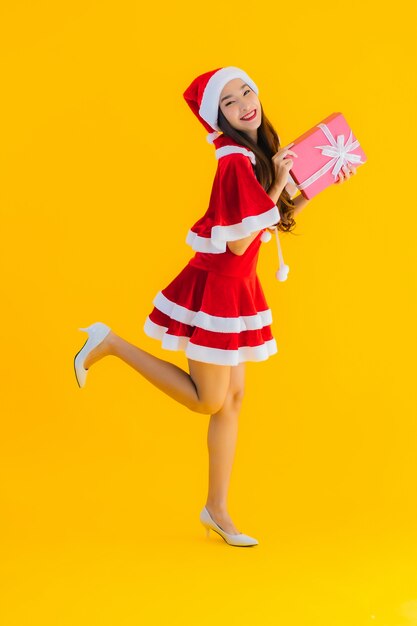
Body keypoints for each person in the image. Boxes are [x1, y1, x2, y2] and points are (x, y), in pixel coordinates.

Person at [73, 66, 356, 547]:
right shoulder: (233, 162)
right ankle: (111, 343)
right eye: (229, 102)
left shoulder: (255, 152)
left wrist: (319, 184)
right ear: (217, 118)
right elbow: (243, 242)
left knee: (233, 402)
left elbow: (275, 221)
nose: (245, 102)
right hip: (219, 289)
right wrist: (280, 180)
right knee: (209, 400)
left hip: (239, 289)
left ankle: (216, 510)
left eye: (247, 90)